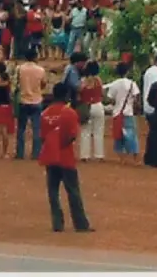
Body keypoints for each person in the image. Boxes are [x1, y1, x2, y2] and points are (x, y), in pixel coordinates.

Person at [39, 82, 93, 233]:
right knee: (73, 191)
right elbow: (72, 136)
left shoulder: (45, 113)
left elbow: (43, 137)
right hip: (66, 157)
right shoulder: (69, 113)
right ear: (66, 95)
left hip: (50, 156)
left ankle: (57, 223)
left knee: (53, 191)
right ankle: (81, 224)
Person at [104, 62, 140, 165]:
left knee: (118, 136)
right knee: (132, 135)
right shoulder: (132, 84)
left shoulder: (114, 84)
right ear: (127, 71)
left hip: (117, 113)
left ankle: (122, 159)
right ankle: (135, 158)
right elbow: (137, 98)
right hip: (128, 112)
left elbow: (110, 99)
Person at [16, 48, 47, 160]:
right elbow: (43, 84)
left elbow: (17, 83)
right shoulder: (40, 70)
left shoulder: (20, 68)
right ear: (35, 57)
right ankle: (36, 153)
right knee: (37, 129)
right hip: (36, 100)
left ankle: (20, 153)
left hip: (23, 100)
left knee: (21, 129)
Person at [78, 61, 106, 162]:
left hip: (86, 106)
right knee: (99, 131)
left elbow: (79, 92)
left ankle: (85, 155)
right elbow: (102, 93)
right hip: (98, 105)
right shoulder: (98, 80)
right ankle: (99, 155)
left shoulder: (83, 80)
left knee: (85, 131)